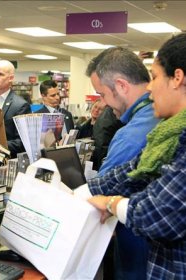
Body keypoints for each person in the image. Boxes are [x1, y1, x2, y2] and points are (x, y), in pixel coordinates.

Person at [86, 32, 186, 280]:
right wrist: (85, 191)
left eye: (154, 77)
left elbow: (156, 214)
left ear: (177, 78)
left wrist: (111, 203)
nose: (150, 88)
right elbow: (134, 170)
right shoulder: (169, 133)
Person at [83, 47, 160, 280]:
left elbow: (102, 190)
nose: (104, 104)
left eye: (103, 95)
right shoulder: (156, 122)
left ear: (122, 86)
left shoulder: (132, 133)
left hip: (138, 258)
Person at [0, 60, 31, 158]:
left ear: (10, 78)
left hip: (7, 159)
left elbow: (22, 142)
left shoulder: (20, 105)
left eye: (0, 74)